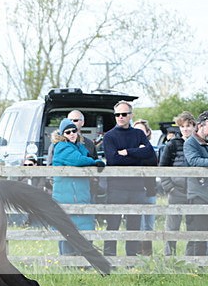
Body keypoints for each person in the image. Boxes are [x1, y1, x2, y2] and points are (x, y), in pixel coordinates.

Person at [101, 100, 158, 257]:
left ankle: (131, 260)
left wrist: (126, 152)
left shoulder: (138, 134)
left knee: (134, 226)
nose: (120, 117)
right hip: (116, 188)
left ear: (130, 115)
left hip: (137, 188)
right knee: (113, 225)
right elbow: (113, 160)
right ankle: (109, 258)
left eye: (124, 114)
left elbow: (151, 155)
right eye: (117, 114)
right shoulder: (109, 136)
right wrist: (137, 154)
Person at [51, 119, 105, 255]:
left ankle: (84, 262)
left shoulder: (79, 146)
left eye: (74, 130)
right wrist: (95, 162)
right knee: (68, 230)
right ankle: (68, 263)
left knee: (84, 228)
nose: (72, 134)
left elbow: (82, 156)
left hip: (79, 195)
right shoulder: (62, 146)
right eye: (67, 132)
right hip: (67, 196)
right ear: (63, 134)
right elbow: (78, 160)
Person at [159, 111, 195, 256]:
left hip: (195, 191)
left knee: (194, 226)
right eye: (182, 126)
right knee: (172, 227)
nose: (185, 129)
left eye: (188, 126)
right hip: (177, 191)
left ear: (194, 126)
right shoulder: (173, 144)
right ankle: (170, 258)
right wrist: (169, 187)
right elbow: (163, 166)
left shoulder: (200, 144)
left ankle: (192, 258)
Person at [183, 111, 208, 256]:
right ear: (201, 125)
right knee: (198, 232)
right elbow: (194, 161)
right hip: (198, 193)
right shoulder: (190, 143)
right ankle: (195, 266)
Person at [133, 118, 157, 255]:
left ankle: (148, 257)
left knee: (149, 226)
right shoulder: (130, 148)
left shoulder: (150, 150)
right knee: (138, 225)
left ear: (147, 133)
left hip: (150, 190)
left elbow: (153, 161)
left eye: (141, 131)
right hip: (135, 191)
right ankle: (137, 257)